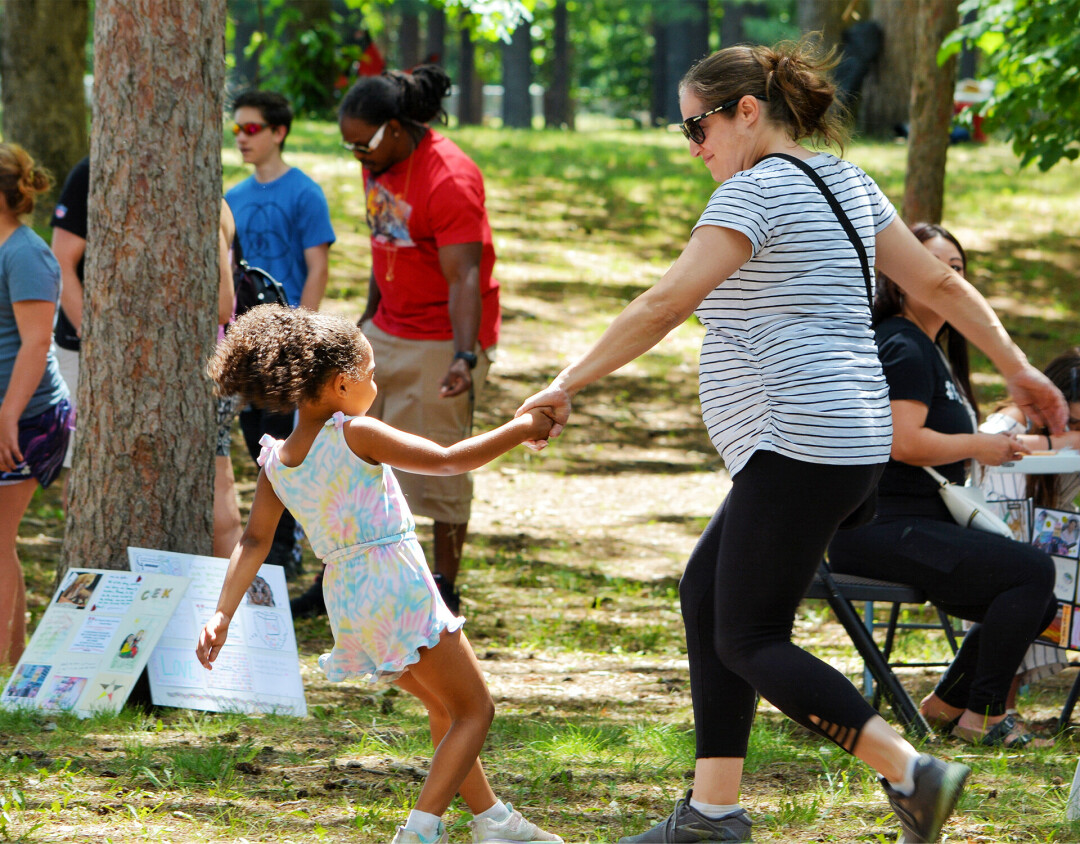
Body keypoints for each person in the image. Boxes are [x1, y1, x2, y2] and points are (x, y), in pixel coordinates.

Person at [515, 41, 1067, 844]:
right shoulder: (847, 180)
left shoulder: (756, 194)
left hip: (798, 441)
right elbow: (938, 285)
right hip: (846, 440)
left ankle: (911, 770)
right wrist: (1016, 368)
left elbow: (666, 301)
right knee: (706, 595)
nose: (694, 148)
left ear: (747, 112)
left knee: (747, 635)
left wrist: (565, 382)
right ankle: (712, 812)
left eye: (696, 129)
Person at [196, 305, 561, 844]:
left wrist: (222, 612)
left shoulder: (277, 462)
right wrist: (524, 426)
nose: (375, 382)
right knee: (475, 710)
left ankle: (495, 823)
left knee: (445, 705)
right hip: (396, 584)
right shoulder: (354, 432)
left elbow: (253, 541)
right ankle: (418, 831)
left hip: (349, 598)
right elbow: (446, 459)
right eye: (369, 373)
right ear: (343, 384)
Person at [828, 223, 1058, 750]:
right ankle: (984, 716)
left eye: (958, 268)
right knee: (1032, 572)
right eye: (938, 266)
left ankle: (945, 706)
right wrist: (978, 445)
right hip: (879, 527)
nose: (951, 276)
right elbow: (904, 443)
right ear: (901, 277)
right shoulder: (903, 344)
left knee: (1038, 593)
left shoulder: (933, 350)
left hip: (921, 524)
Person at [325, 64, 500, 619]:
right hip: (387, 329)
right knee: (354, 460)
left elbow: (465, 278)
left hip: (441, 339)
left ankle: (444, 589)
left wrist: (464, 356)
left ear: (397, 128)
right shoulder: (377, 162)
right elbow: (386, 244)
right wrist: (367, 321)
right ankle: (359, 580)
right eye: (349, 146)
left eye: (365, 144)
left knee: (442, 470)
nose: (358, 156)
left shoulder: (449, 178)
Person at [225, 90, 337, 579]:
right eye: (237, 129)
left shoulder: (305, 193)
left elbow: (317, 267)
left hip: (290, 341)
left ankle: (288, 545)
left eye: (252, 129)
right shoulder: (232, 197)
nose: (242, 139)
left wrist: (301, 335)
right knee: (256, 440)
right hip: (245, 341)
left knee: (290, 444)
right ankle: (274, 540)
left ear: (279, 132)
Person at [0, 144, 74, 665]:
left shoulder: (26, 253)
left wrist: (6, 414)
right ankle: (12, 658)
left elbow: (36, 342)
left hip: (29, 419)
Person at [979, 347, 1080, 708]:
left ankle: (995, 703)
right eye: (1071, 421)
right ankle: (995, 705)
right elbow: (985, 448)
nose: (1075, 432)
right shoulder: (1010, 421)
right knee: (1033, 569)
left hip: (1054, 549)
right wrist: (1064, 441)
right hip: (995, 544)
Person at [49, 155, 89, 480]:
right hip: (82, 349)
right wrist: (94, 339)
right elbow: (61, 262)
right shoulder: (89, 171)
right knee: (83, 464)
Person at [214, 199, 243, 557]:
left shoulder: (208, 203)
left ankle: (232, 607)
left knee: (220, 496)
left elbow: (223, 304)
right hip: (215, 365)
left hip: (210, 372)